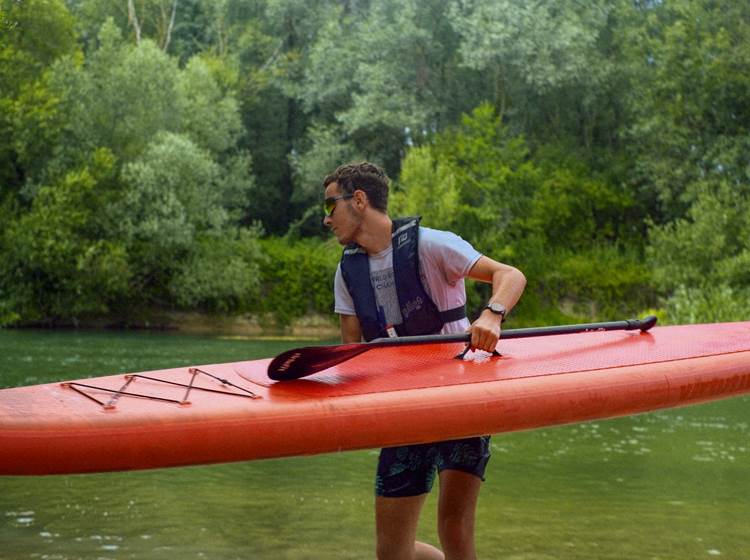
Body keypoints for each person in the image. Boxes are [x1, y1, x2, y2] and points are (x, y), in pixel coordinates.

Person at [322, 161, 526, 560]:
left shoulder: (432, 245)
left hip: (462, 397)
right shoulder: (347, 272)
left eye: (331, 206)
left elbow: (511, 274)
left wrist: (492, 314)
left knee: (454, 527)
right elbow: (351, 357)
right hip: (405, 407)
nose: (326, 219)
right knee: (392, 553)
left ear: (359, 200)